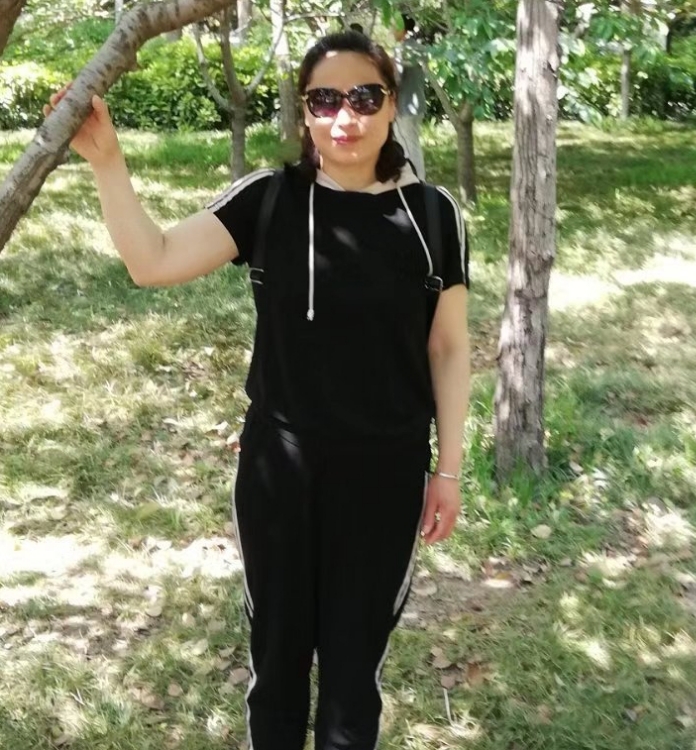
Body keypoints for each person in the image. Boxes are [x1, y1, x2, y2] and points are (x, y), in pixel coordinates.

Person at [45, 29, 470, 750]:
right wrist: (108, 162)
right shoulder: (269, 201)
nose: (345, 117)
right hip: (281, 470)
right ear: (303, 111)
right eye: (324, 100)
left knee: (353, 678)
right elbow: (153, 261)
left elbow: (449, 346)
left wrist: (448, 471)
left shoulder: (432, 216)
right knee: (277, 667)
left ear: (392, 104)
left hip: (386, 476)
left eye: (364, 97)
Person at [392, 13, 427, 180]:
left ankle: (414, 180)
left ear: (403, 29)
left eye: (395, 27)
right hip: (419, 103)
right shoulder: (421, 49)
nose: (392, 31)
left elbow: (397, 78)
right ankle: (419, 178)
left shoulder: (401, 49)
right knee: (414, 144)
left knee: (406, 145)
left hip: (404, 105)